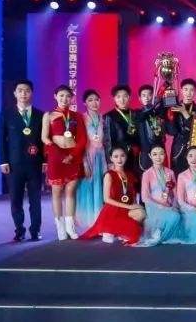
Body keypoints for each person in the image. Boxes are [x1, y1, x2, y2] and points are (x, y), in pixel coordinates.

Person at [0, 80, 45, 241]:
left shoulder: (40, 115)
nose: (23, 94)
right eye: (20, 90)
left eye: (27, 90)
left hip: (35, 163)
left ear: (32, 93)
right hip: (14, 163)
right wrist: (3, 161)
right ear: (15, 93)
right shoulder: (7, 114)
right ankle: (19, 230)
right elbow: (1, 139)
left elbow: (44, 141)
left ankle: (35, 230)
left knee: (35, 199)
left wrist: (45, 161)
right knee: (16, 199)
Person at [42, 85, 87, 241]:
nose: (64, 99)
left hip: (73, 157)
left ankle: (70, 226)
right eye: (61, 95)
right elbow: (44, 137)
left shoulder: (77, 116)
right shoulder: (48, 115)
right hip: (56, 157)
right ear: (55, 96)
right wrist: (58, 152)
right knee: (57, 192)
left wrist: (72, 155)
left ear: (72, 98)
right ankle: (60, 227)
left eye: (68, 96)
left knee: (70, 191)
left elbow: (82, 139)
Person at [78, 146, 145, 245]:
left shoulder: (129, 174)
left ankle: (121, 230)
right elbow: (107, 199)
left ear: (126, 157)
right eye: (116, 156)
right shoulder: (109, 175)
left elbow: (132, 195)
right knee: (133, 234)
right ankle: (109, 228)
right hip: (113, 209)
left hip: (126, 209)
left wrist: (135, 205)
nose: (119, 159)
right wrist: (128, 206)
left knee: (141, 213)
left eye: (122, 156)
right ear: (111, 158)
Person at [137, 145, 182, 246]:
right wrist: (161, 207)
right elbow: (145, 197)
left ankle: (163, 235)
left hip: (169, 205)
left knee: (177, 214)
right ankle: (159, 235)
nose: (158, 157)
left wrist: (175, 205)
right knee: (174, 216)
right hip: (154, 207)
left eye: (161, 154)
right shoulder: (147, 174)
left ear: (165, 155)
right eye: (155, 154)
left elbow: (175, 193)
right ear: (150, 156)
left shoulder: (170, 172)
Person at [75, 89, 106, 230]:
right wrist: (85, 163)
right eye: (90, 100)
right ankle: (88, 222)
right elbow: (80, 142)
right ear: (84, 103)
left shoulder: (103, 117)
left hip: (102, 157)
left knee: (101, 188)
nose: (94, 103)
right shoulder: (81, 118)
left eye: (96, 100)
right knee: (88, 187)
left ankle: (100, 220)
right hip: (88, 157)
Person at [103, 85, 143, 177]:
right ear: (114, 99)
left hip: (137, 155)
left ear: (130, 97)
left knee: (136, 179)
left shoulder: (136, 114)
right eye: (118, 97)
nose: (122, 99)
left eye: (125, 96)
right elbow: (108, 140)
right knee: (122, 180)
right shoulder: (109, 117)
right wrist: (110, 161)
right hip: (120, 156)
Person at [167, 79, 196, 174]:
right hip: (178, 147)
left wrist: (184, 112)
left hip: (194, 147)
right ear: (181, 90)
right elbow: (171, 132)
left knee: (195, 175)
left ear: (195, 91)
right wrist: (170, 113)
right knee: (177, 175)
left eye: (191, 90)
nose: (188, 93)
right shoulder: (174, 108)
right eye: (186, 89)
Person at [136, 84, 167, 173]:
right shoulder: (137, 113)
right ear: (140, 98)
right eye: (143, 95)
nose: (147, 98)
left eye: (150, 95)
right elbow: (141, 117)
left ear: (153, 96)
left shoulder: (159, 113)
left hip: (160, 152)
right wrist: (152, 106)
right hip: (145, 153)